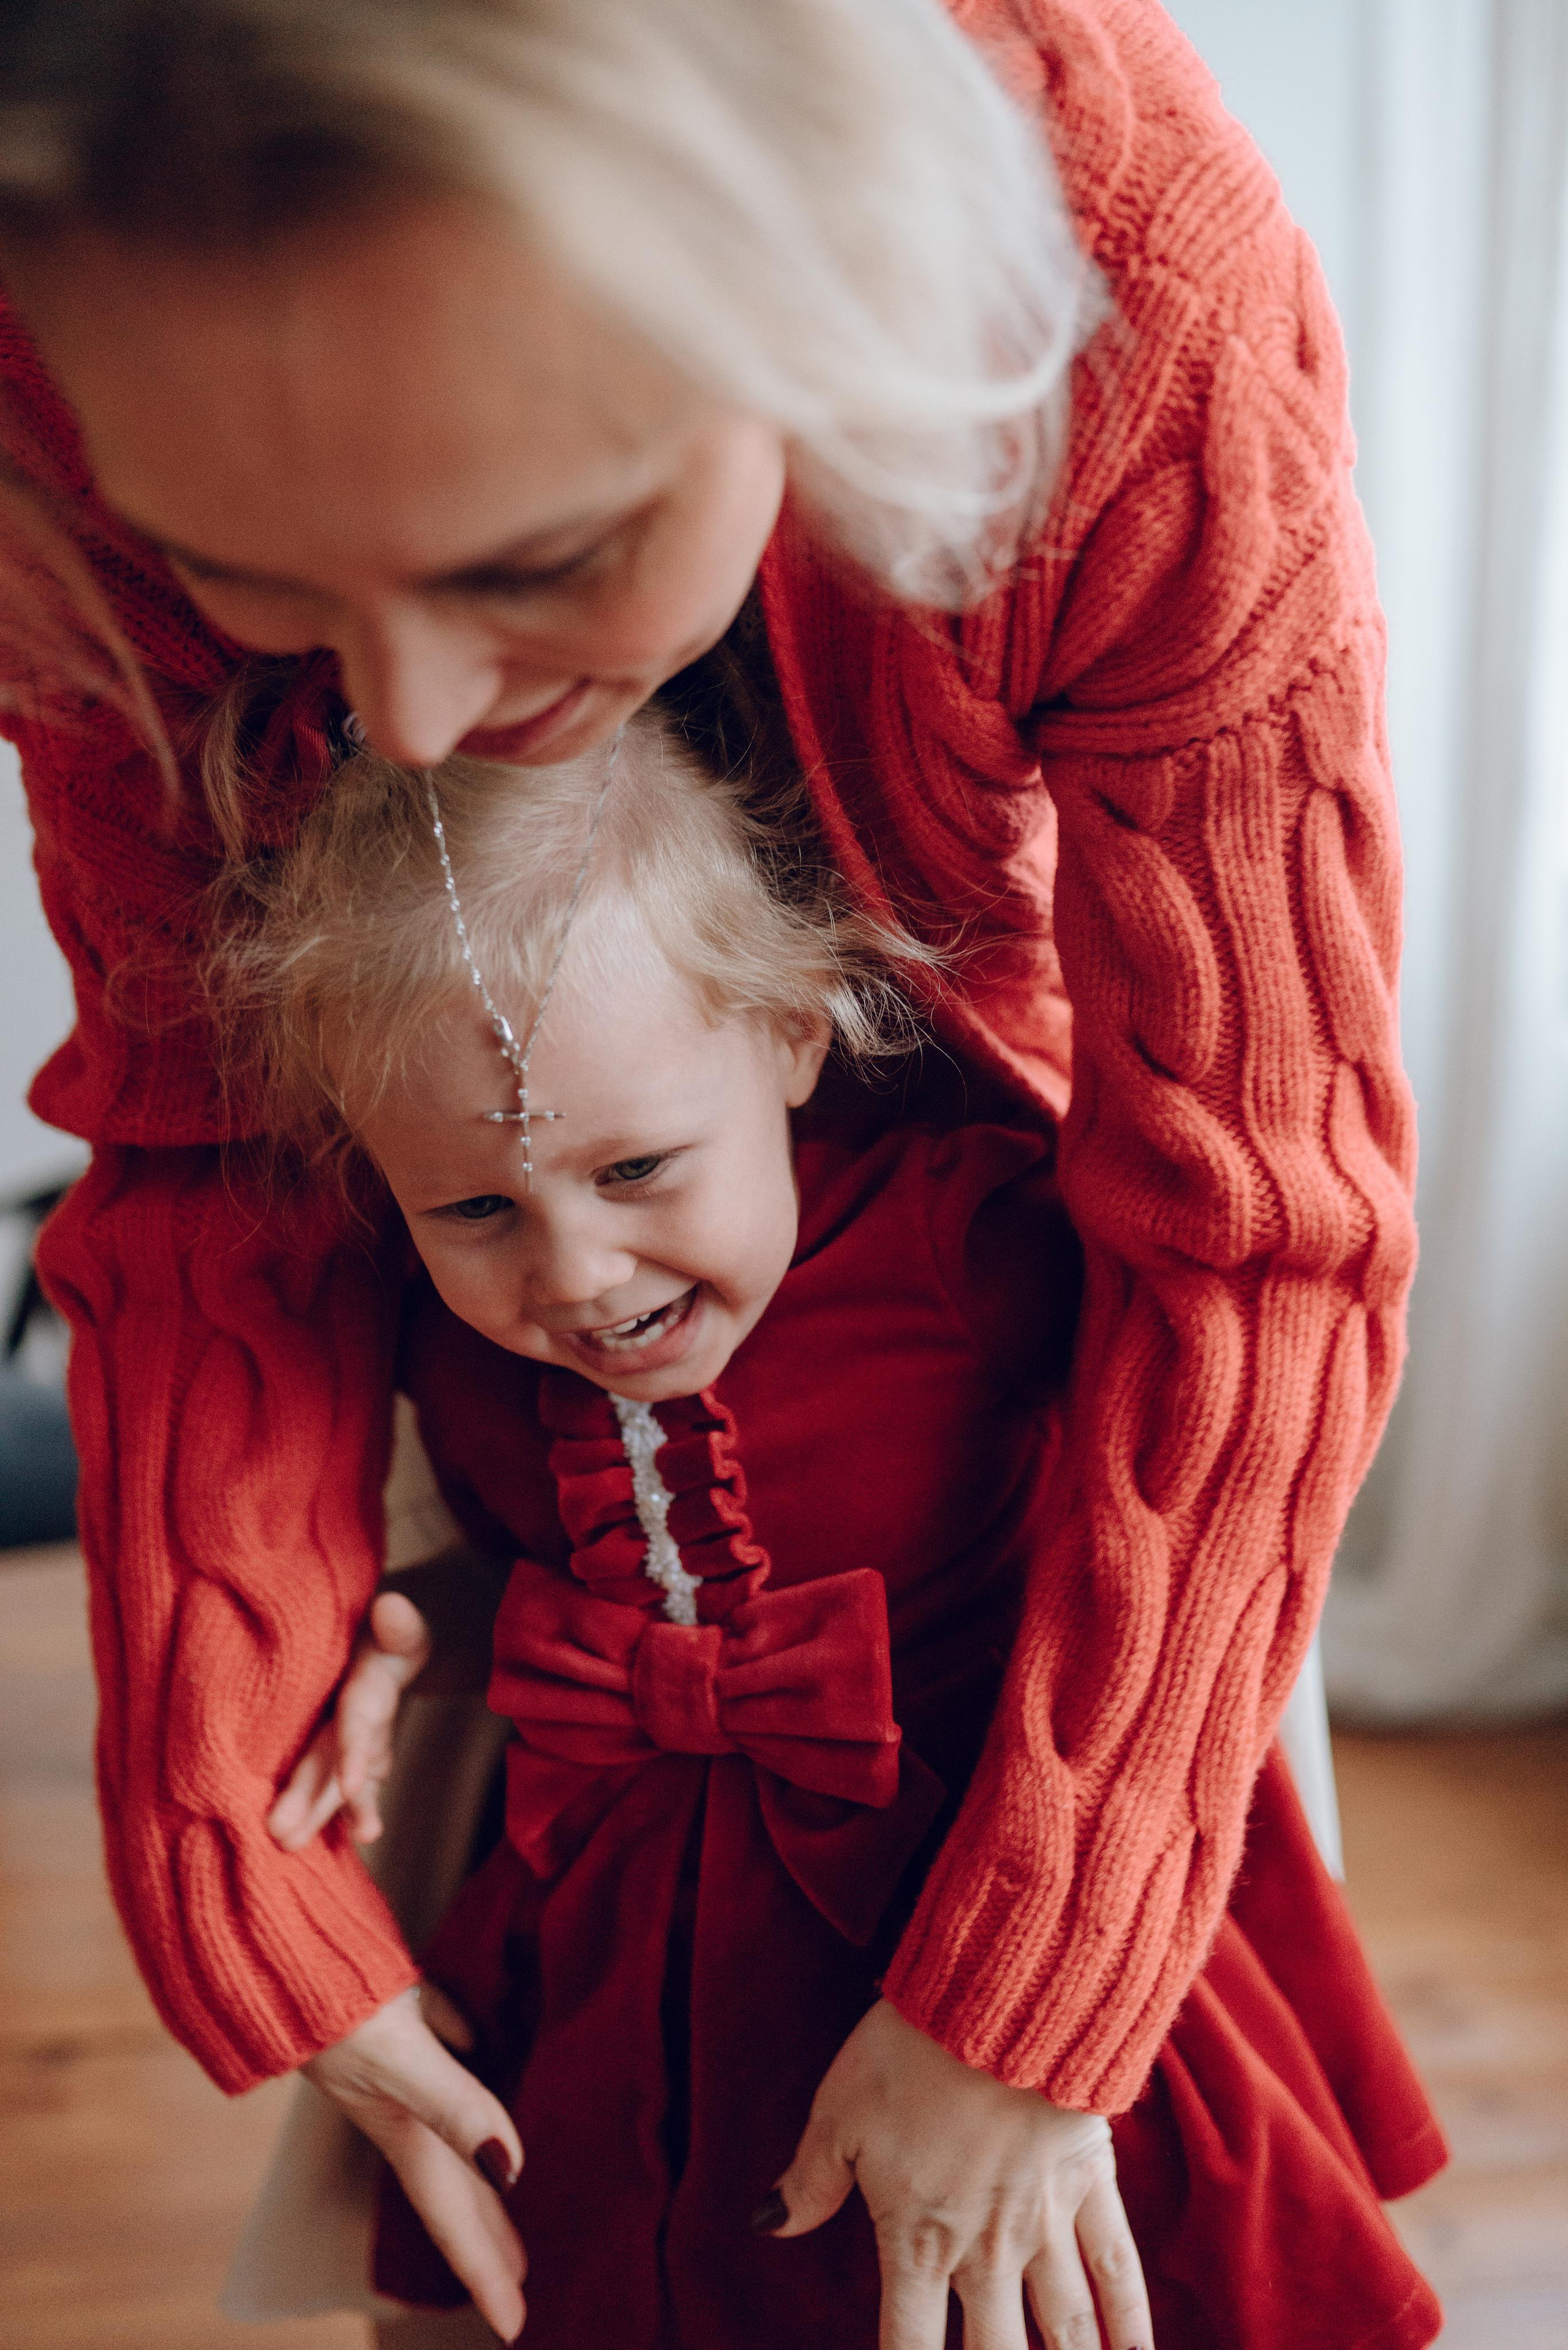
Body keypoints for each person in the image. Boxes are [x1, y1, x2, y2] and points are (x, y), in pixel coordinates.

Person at [0, 2, 1438, 2343]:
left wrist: (1048, 1983)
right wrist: (234, 1824)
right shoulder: (58, 314)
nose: (404, 721)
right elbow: (203, 1183)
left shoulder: (1126, 296)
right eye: (252, 581)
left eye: (536, 553)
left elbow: (1260, 1227)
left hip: (1077, 1547)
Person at [230, 699, 1442, 2349]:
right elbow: (537, 1580)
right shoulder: (451, 1349)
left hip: (969, 1870)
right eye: (477, 1207)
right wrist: (399, 1639)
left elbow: (1185, 1474)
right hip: (630, 1939)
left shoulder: (970, 1231)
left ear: (796, 1033)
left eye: (642, 1167)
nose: (576, 1270)